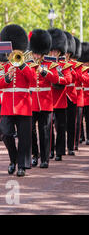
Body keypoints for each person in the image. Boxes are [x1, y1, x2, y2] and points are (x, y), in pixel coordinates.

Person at [0, 24, 35, 177]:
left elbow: (32, 79)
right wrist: (8, 77)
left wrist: (21, 64)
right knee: (6, 134)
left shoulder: (28, 61)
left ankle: (22, 166)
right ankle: (13, 159)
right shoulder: (4, 63)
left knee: (24, 137)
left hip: (23, 104)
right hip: (7, 105)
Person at [29, 29, 64, 169]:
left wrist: (44, 72)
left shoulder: (50, 64)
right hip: (31, 103)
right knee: (30, 130)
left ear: (43, 52)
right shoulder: (28, 62)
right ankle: (34, 155)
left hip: (45, 102)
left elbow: (56, 79)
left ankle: (44, 159)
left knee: (45, 132)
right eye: (34, 52)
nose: (36, 55)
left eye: (38, 53)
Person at [48, 28, 72, 162]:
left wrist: (57, 78)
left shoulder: (64, 65)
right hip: (48, 100)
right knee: (48, 128)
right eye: (51, 50)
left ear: (59, 51)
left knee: (60, 127)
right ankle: (50, 149)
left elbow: (68, 80)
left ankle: (59, 151)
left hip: (60, 100)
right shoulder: (44, 64)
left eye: (55, 51)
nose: (53, 53)